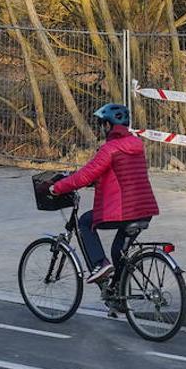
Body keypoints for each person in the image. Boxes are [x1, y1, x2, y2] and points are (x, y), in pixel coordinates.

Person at [50, 103, 159, 283]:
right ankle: (119, 295)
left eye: (102, 124)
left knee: (84, 222)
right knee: (119, 252)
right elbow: (121, 173)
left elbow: (85, 176)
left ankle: (100, 264)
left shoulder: (110, 149)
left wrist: (57, 187)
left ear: (107, 126)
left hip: (125, 210)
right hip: (145, 210)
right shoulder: (137, 144)